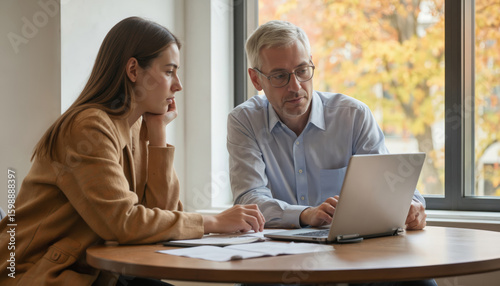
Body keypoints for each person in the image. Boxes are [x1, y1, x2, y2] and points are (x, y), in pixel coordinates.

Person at [0, 17, 264, 286]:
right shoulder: (88, 127)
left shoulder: (137, 126)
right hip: (35, 274)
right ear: (134, 70)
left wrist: (158, 134)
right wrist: (214, 222)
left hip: (96, 275)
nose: (178, 85)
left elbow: (159, 221)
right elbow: (123, 222)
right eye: (169, 71)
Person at [228, 19, 434, 286]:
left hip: (356, 256)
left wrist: (413, 207)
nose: (296, 87)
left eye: (302, 70)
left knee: (417, 280)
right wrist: (305, 214)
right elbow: (249, 199)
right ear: (256, 79)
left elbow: (395, 186)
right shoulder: (244, 121)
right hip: (278, 259)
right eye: (280, 76)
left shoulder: (353, 115)